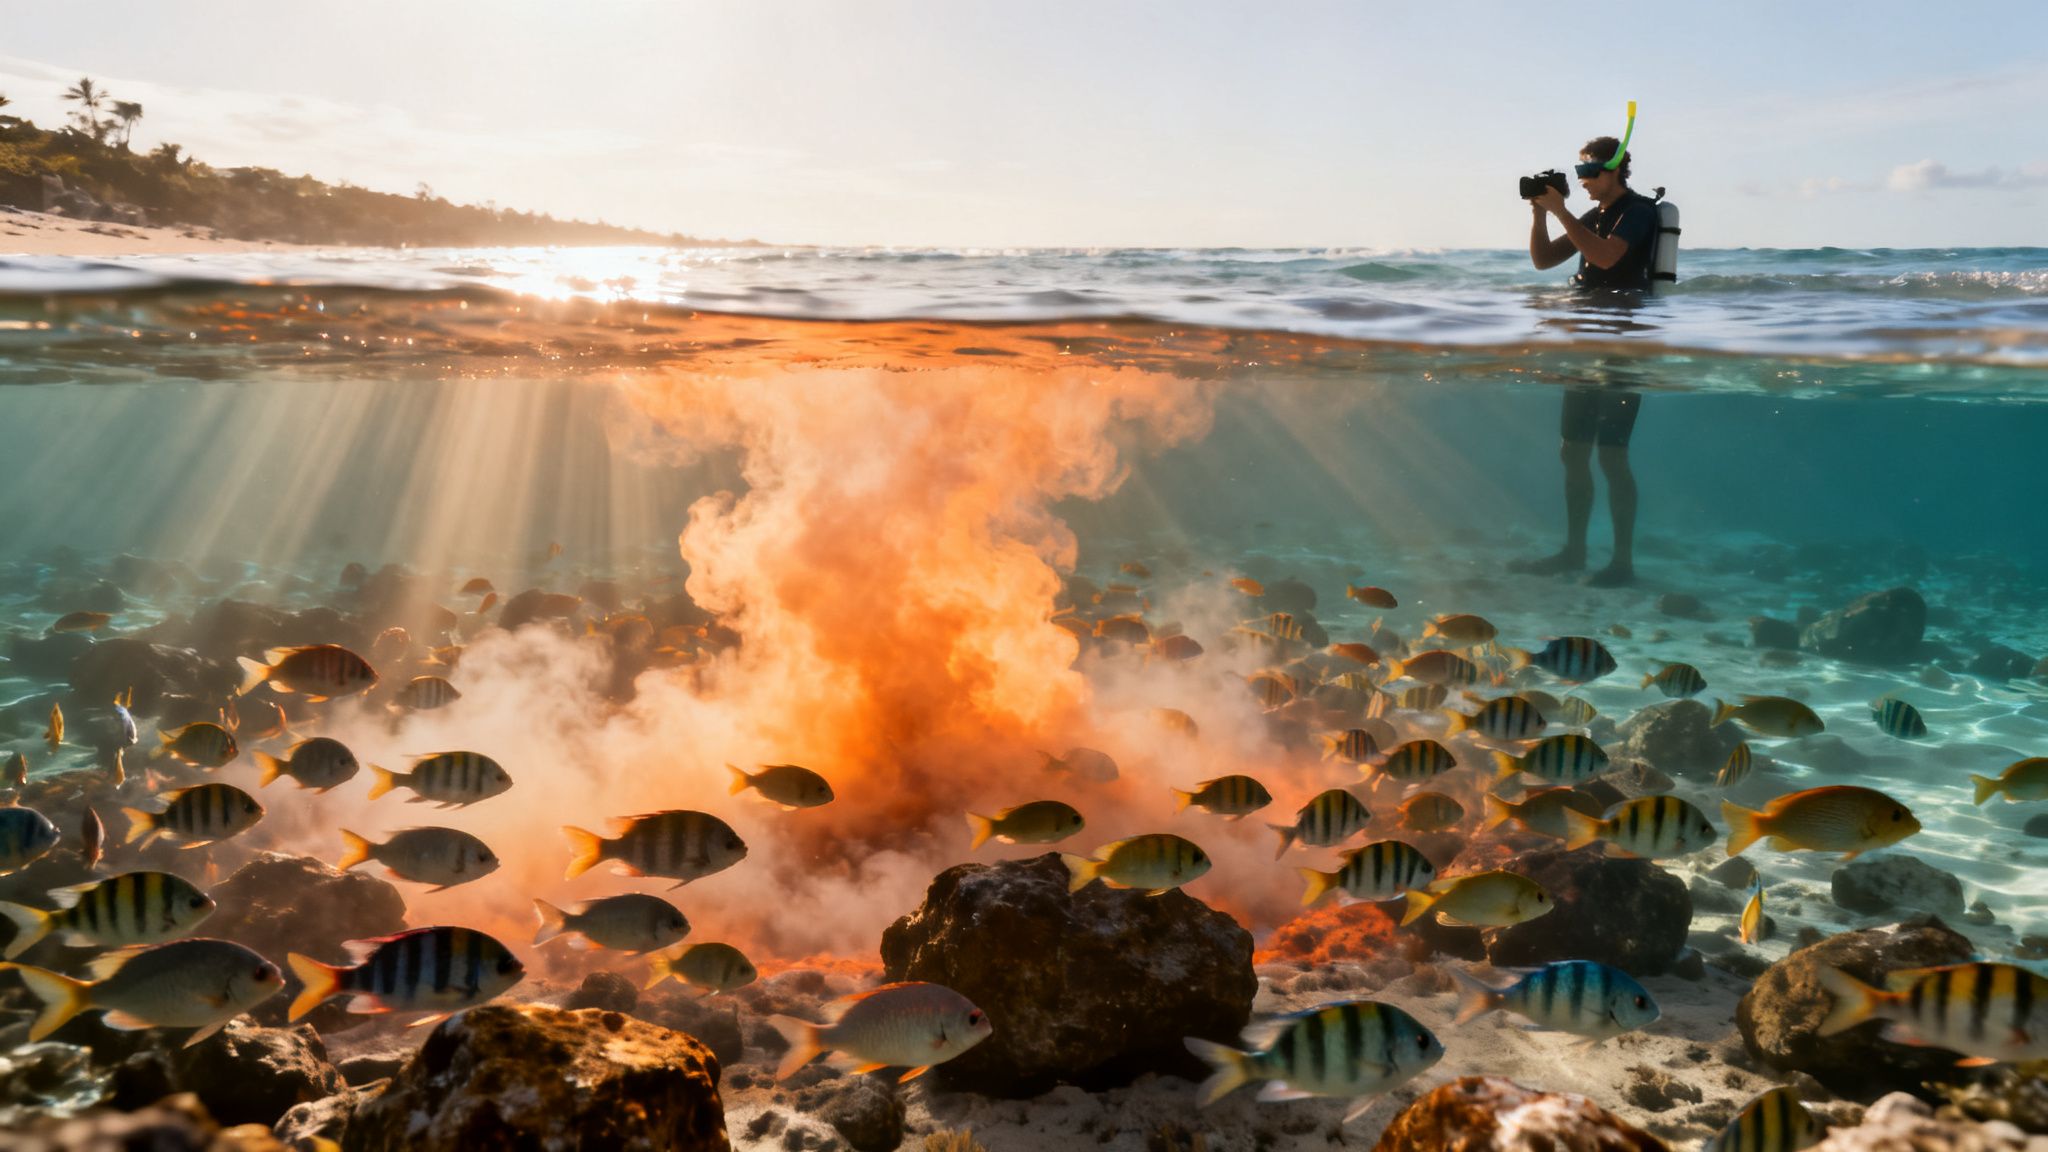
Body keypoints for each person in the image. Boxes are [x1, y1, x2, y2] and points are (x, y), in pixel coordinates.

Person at [1512, 134, 1661, 586]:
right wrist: (1541, 213)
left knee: (1612, 457)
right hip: (1585, 342)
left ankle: (1622, 564)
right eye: (1576, 173)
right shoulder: (1592, 214)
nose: (1581, 181)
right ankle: (1573, 552)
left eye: (1586, 172)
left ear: (1613, 169)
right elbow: (1543, 261)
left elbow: (1606, 254)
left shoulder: (1638, 212)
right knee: (1571, 452)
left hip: (1621, 344)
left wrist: (1560, 211)